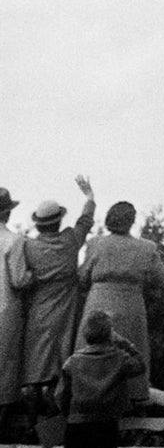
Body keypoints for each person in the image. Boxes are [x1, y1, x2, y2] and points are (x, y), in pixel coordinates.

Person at [17, 177, 96, 422]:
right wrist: (89, 197)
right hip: (66, 309)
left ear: (39, 224)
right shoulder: (71, 240)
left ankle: (31, 415)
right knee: (60, 360)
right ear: (59, 221)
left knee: (35, 360)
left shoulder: (28, 247)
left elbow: (23, 278)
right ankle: (53, 420)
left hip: (39, 310)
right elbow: (85, 221)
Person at [57, 308, 145, 448]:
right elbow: (141, 366)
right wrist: (125, 343)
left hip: (76, 426)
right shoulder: (120, 358)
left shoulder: (72, 362)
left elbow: (60, 396)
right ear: (109, 334)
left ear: (85, 334)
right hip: (105, 426)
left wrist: (66, 413)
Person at [78, 201, 164, 408]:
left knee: (92, 349)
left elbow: (82, 277)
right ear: (132, 221)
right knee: (129, 352)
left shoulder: (95, 243)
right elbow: (160, 278)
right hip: (130, 304)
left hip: (98, 301)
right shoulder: (146, 247)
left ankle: (89, 394)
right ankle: (130, 400)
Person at [0, 186, 30, 433]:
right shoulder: (14, 241)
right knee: (5, 368)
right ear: (7, 213)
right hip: (5, 310)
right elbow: (18, 280)